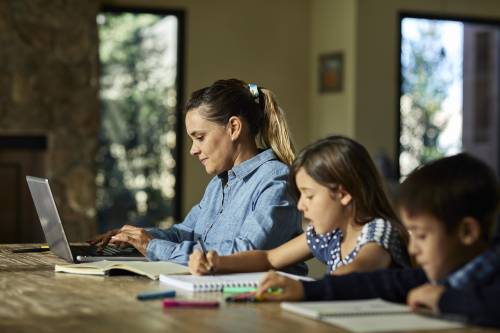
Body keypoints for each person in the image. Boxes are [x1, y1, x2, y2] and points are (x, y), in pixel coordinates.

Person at [256, 153, 500, 328]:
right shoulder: (436, 274)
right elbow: (377, 283)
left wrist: (444, 299)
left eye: (422, 236)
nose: (413, 249)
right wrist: (305, 290)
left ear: (467, 232)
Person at [89, 79, 304, 270]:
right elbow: (186, 233)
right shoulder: (219, 184)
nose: (193, 150)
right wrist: (137, 237)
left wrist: (152, 246)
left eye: (200, 137)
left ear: (234, 127)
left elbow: (244, 253)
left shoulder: (276, 180)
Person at [188, 135, 410, 276]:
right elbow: (269, 258)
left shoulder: (378, 233)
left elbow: (352, 274)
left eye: (309, 196)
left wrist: (301, 289)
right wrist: (218, 261)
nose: (301, 206)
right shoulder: (329, 235)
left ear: (343, 194)